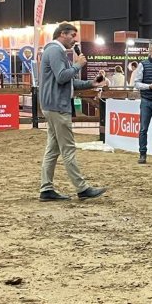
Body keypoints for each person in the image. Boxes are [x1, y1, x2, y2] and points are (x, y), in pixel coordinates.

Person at [39, 22, 107, 202]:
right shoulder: (55, 51)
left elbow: (67, 81)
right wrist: (78, 65)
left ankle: (46, 188)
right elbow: (62, 77)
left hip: (52, 105)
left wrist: (91, 84)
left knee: (53, 149)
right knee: (68, 149)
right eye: (72, 36)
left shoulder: (55, 51)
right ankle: (82, 188)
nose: (74, 40)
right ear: (63, 34)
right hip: (57, 106)